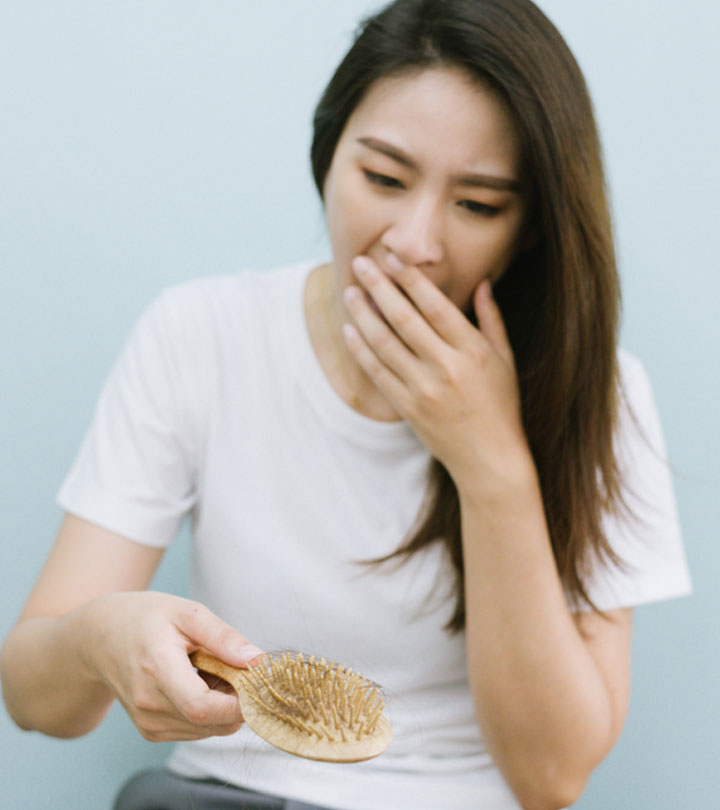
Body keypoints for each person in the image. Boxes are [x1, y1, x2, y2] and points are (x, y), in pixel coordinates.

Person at [1, 0, 692, 809]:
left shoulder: (598, 394)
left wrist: (490, 461)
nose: (413, 242)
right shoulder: (201, 335)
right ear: (327, 157)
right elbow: (33, 698)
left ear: (531, 227)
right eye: (384, 178)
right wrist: (101, 638)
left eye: (477, 205)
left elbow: (552, 778)